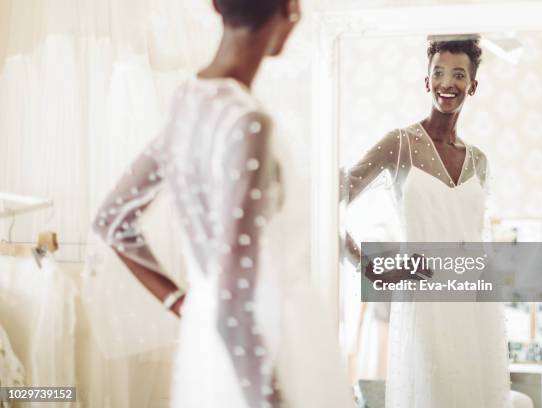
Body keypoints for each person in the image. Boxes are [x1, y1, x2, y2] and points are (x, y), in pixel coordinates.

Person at [92, 1, 352, 407]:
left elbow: (111, 222)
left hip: (208, 344)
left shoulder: (188, 102)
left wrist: (182, 301)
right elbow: (234, 304)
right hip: (269, 345)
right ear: (291, 11)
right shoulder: (249, 122)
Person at [344, 37, 513, 407]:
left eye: (458, 74)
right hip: (424, 301)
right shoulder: (399, 144)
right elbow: (330, 197)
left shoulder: (479, 161)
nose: (446, 83)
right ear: (426, 81)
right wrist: (369, 266)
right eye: (438, 73)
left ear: (473, 85)